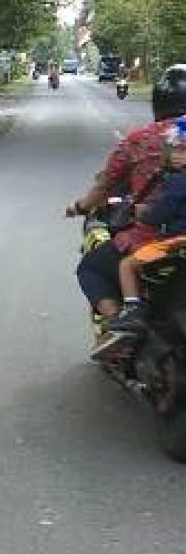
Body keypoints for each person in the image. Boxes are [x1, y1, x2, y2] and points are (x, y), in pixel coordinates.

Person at [67, 65, 186, 353]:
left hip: (155, 239)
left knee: (91, 268)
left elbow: (104, 187)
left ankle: (122, 325)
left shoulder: (139, 141)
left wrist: (80, 207)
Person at [96, 118, 186, 347]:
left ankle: (132, 309)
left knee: (127, 265)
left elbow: (160, 213)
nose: (175, 155)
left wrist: (142, 215)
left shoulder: (177, 181)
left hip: (174, 242)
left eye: (179, 150)